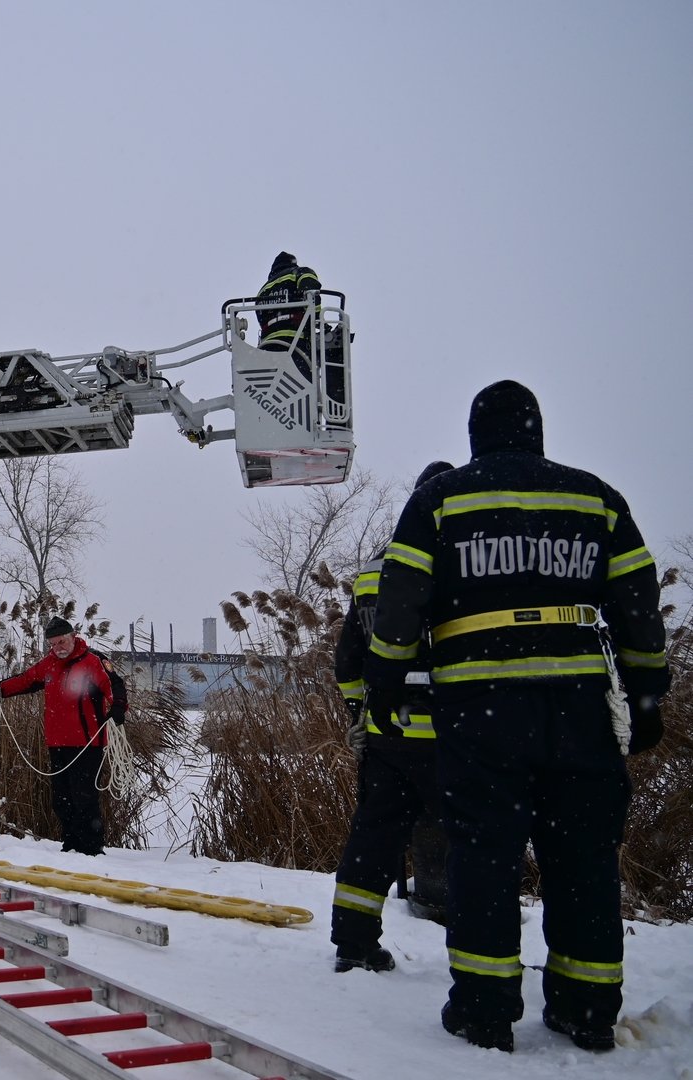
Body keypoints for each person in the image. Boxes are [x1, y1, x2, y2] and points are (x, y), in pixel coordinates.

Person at [365, 380, 668, 1054]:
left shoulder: (441, 500)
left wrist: (385, 680)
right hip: (580, 716)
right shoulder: (596, 498)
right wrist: (649, 692)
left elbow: (401, 596)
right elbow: (639, 604)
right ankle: (586, 1008)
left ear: (476, 435)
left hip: (482, 715)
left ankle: (483, 1008)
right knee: (584, 860)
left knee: (483, 857)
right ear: (535, 431)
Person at [328, 460, 455, 975]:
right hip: (454, 738)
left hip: (388, 738)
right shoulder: (458, 566)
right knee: (474, 841)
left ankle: (353, 944)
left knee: (373, 838)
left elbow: (347, 661)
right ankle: (478, 957)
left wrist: (360, 711)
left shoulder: (371, 575)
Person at [0, 617, 114, 856]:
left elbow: (114, 688)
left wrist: (118, 709)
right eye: (53, 644)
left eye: (62, 642)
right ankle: (71, 843)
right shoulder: (49, 664)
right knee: (61, 798)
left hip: (87, 743)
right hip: (57, 742)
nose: (58, 648)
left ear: (73, 636)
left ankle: (92, 848)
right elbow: (26, 680)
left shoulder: (93, 661)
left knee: (84, 796)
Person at [255, 250, 322, 381]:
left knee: (273, 384)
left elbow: (261, 319)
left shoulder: (262, 291)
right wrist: (318, 319)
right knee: (301, 384)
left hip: (267, 347)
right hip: (296, 342)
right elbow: (312, 293)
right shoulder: (299, 272)